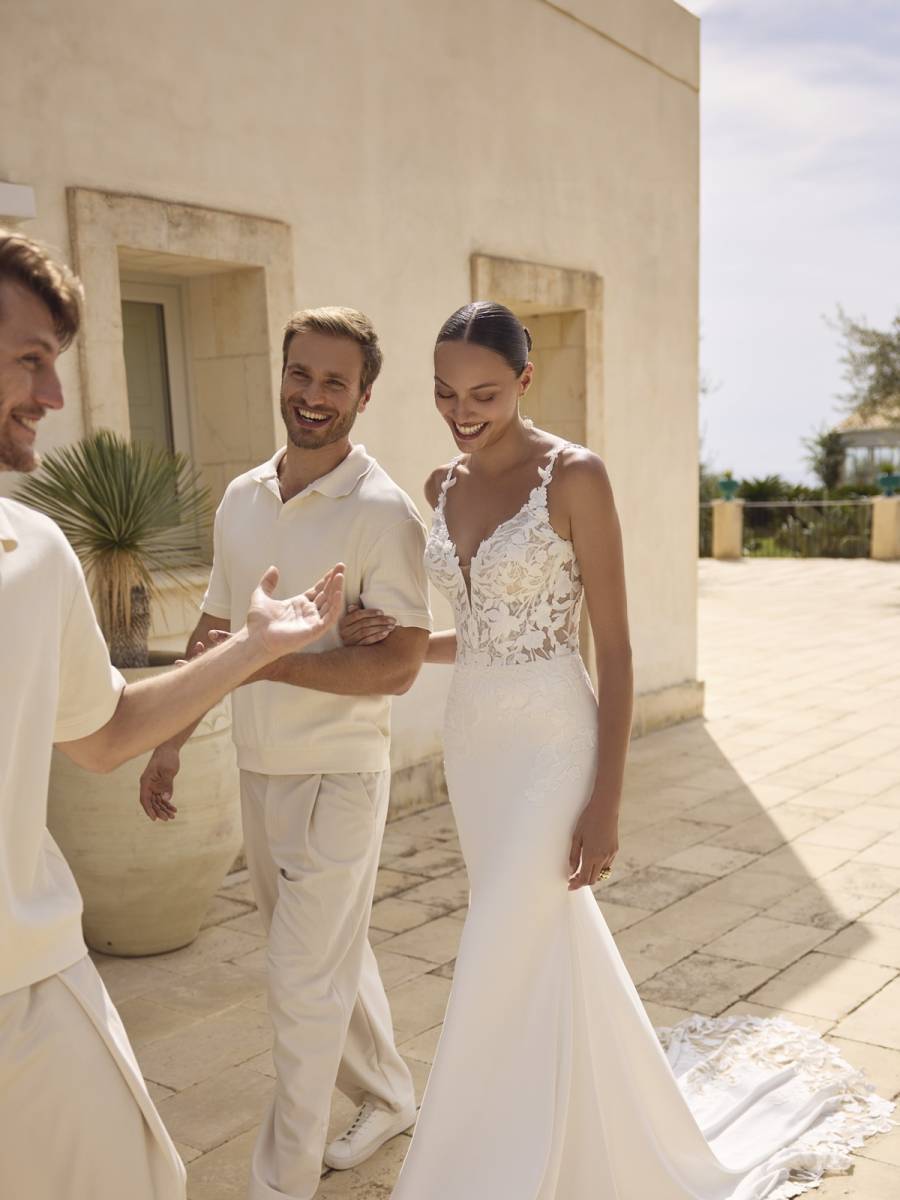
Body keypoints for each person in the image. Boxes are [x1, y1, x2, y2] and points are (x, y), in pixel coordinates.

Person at [339, 301, 894, 1199]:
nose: (461, 411)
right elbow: (473, 637)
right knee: (534, 940)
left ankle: (474, 1169)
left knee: (496, 941)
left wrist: (607, 799)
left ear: (525, 381)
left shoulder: (574, 477)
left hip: (553, 743)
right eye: (444, 394)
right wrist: (391, 638)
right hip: (475, 746)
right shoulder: (440, 488)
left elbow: (618, 645)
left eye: (482, 392)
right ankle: (566, 1120)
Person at [0, 229, 344, 1200]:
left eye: (57, 365)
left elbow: (104, 734)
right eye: (31, 359)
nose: (53, 397)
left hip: (28, 982)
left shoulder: (34, 552)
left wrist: (253, 648)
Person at [138, 307, 432, 1200]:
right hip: (261, 774)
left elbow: (401, 664)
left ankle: (281, 1183)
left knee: (300, 985)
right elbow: (215, 631)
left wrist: (276, 663)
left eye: (334, 382)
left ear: (364, 396)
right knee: (326, 957)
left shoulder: (384, 512)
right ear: (283, 373)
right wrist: (169, 740)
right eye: (301, 374)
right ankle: (387, 1092)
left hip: (340, 779)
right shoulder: (239, 498)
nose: (312, 396)